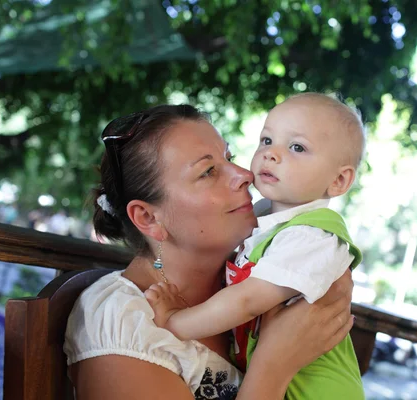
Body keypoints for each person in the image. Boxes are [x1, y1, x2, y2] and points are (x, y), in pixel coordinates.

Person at [63, 104, 356, 400]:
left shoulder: (259, 283)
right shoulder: (123, 325)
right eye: (208, 171)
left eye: (230, 158)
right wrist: (274, 365)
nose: (244, 174)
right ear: (149, 218)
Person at [146, 93, 366, 399]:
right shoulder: (264, 218)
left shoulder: (314, 236)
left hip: (319, 390)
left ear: (339, 181)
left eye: (297, 147)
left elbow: (247, 300)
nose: (271, 154)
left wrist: (174, 324)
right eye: (266, 140)